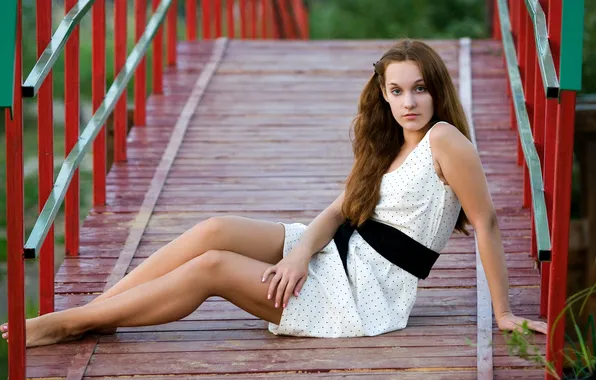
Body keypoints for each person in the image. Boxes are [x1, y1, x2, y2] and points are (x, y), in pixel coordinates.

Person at [1, 39, 547, 348]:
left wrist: (502, 313)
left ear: (437, 91)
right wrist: (298, 254)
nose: (410, 102)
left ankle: (72, 322)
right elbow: (339, 210)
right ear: (383, 95)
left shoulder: (445, 140)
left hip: (363, 293)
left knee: (213, 265)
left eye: (420, 89)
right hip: (336, 254)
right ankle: (101, 311)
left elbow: (488, 224)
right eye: (397, 91)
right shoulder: (387, 145)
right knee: (213, 228)